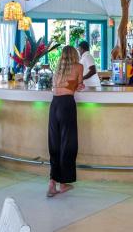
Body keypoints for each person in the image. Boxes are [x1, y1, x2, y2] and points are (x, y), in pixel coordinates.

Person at [47, 46, 85, 197]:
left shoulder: (58, 69)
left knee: (54, 143)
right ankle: (63, 183)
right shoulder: (79, 66)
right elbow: (80, 85)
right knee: (67, 143)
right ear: (75, 55)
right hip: (66, 105)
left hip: (54, 105)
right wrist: (79, 85)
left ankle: (52, 182)